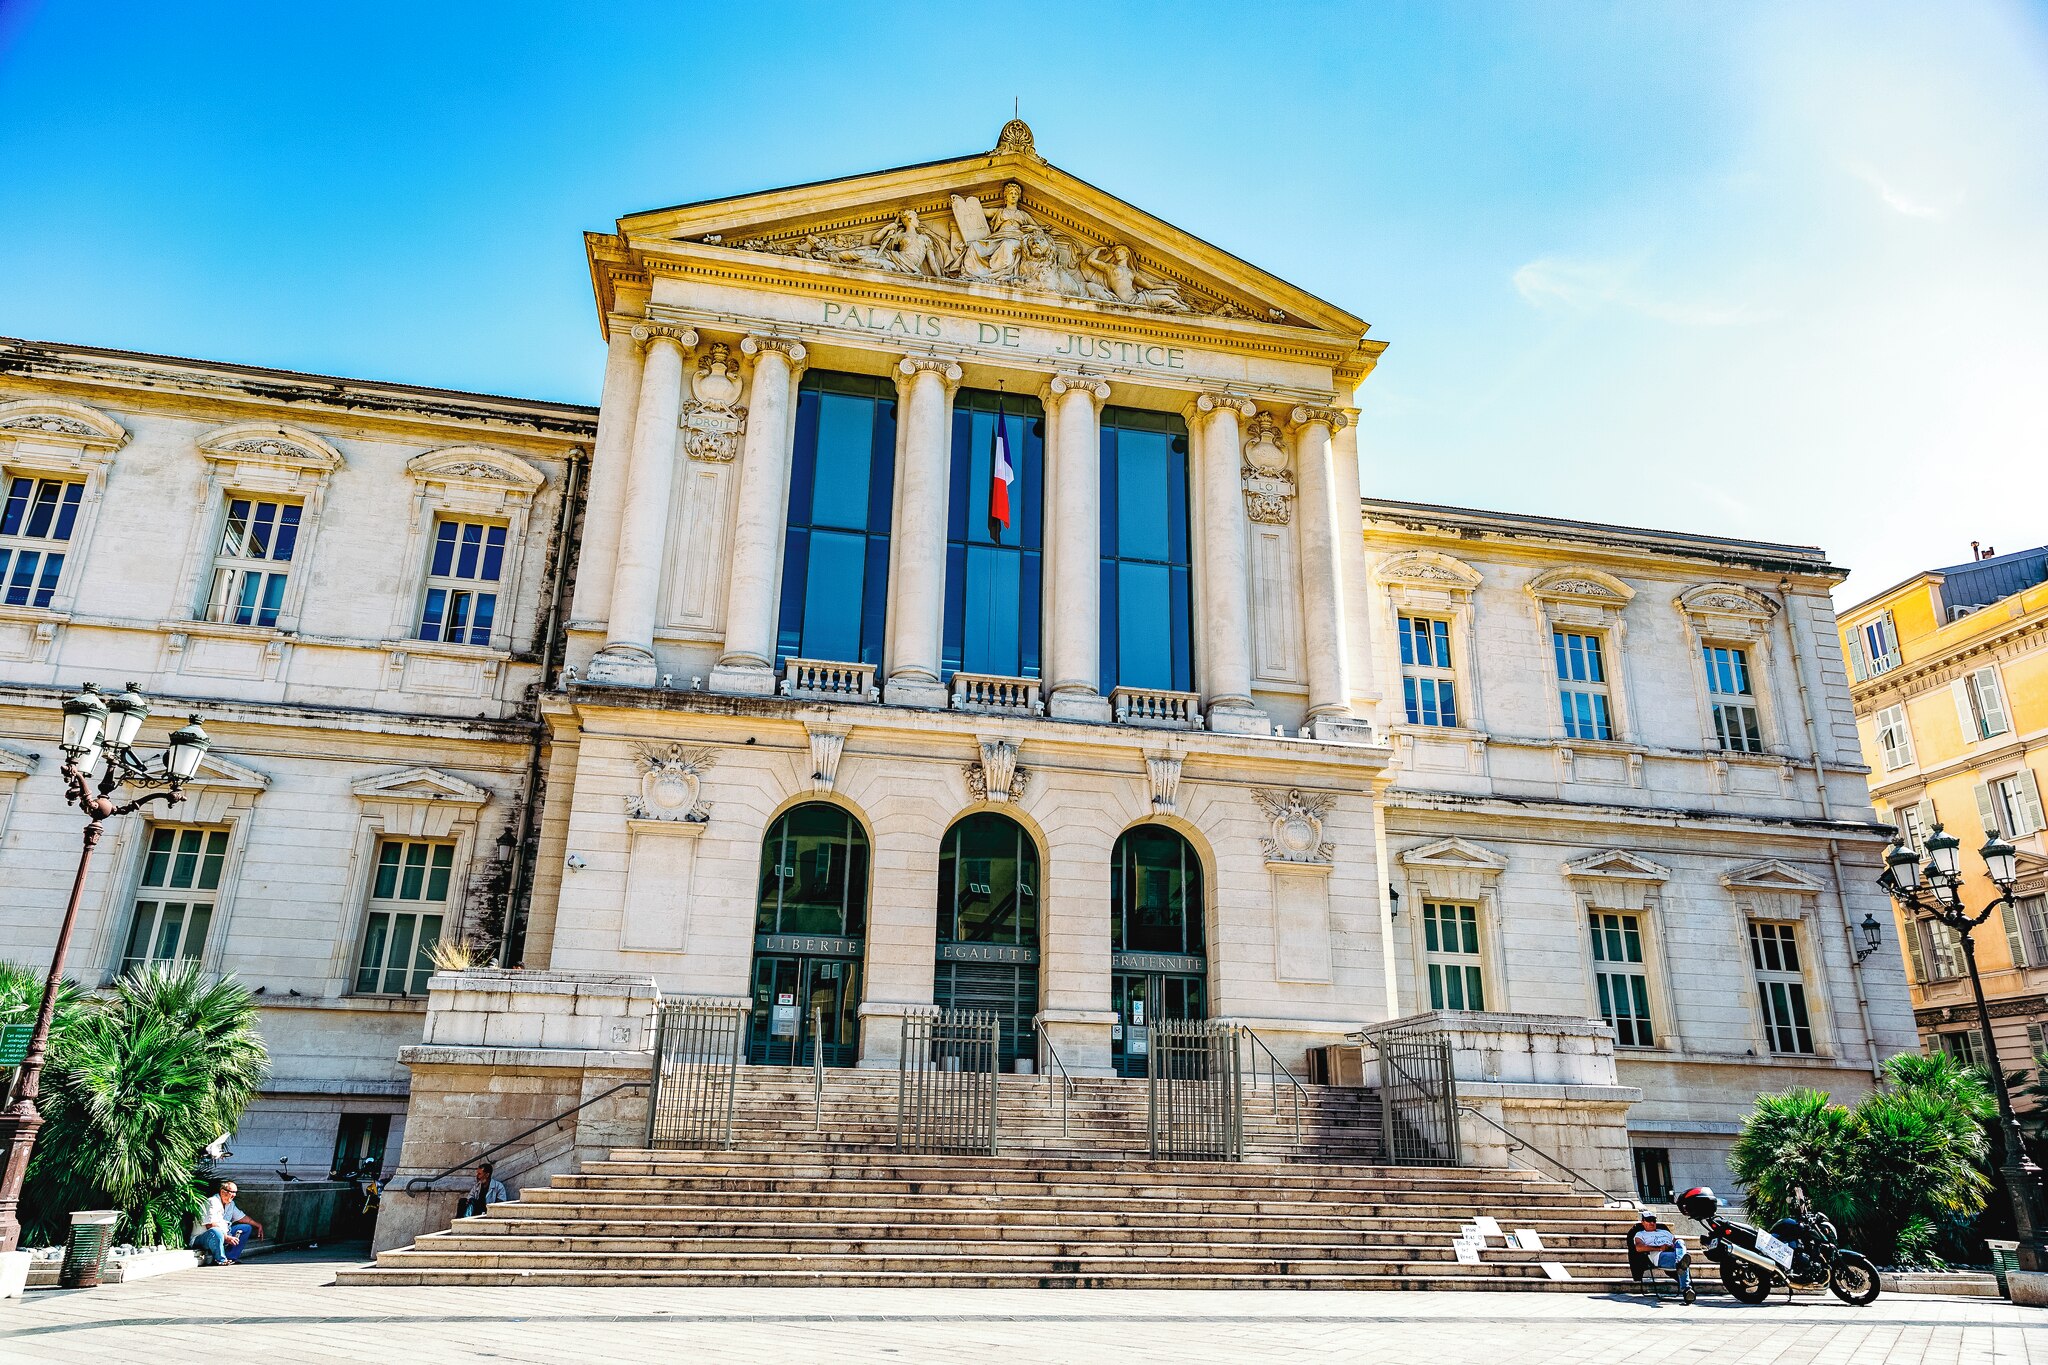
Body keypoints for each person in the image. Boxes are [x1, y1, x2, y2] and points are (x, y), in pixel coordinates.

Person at [189, 1180, 264, 1266]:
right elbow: (210, 1225)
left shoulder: (230, 1204)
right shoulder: (212, 1202)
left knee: (246, 1228)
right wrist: (226, 1237)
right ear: (222, 1192)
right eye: (232, 1192)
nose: (234, 1195)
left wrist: (258, 1225)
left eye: (235, 1192)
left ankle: (231, 1257)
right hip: (203, 1237)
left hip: (223, 1234)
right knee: (216, 1231)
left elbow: (242, 1218)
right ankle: (221, 1260)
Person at [1632, 1210, 1695, 1303]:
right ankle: (1686, 1286)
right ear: (1643, 1222)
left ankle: (1679, 1262)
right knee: (1683, 1261)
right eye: (1649, 1220)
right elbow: (1639, 1247)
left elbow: (1676, 1244)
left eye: (1654, 1220)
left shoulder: (1664, 1232)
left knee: (1680, 1241)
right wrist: (1659, 1248)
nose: (1652, 1223)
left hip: (1673, 1253)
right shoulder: (1640, 1234)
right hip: (1659, 1255)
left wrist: (1671, 1246)